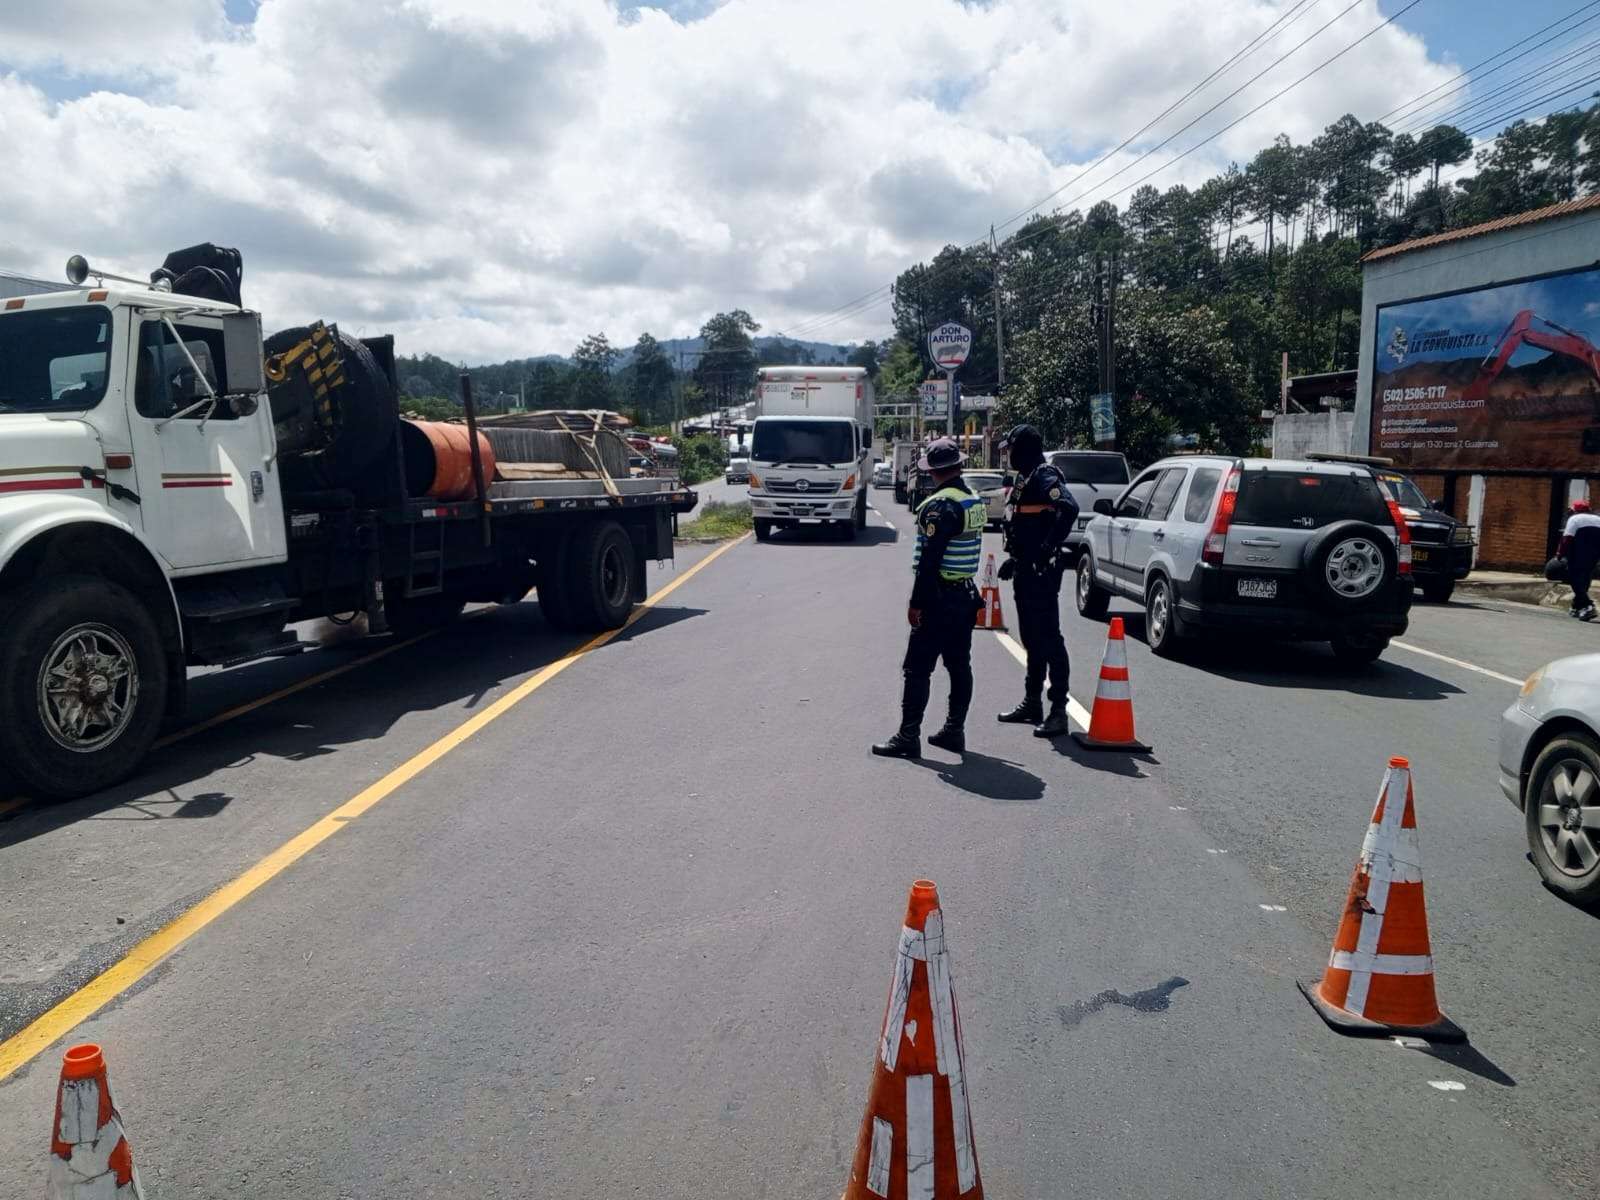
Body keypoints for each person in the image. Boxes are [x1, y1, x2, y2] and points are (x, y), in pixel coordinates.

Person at [872, 438, 986, 759]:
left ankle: (908, 737)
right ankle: (954, 730)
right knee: (959, 665)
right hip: (964, 595)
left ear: (933, 472)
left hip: (939, 599)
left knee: (917, 669)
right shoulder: (971, 500)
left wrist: (916, 603)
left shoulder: (940, 506)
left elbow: (930, 561)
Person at [996, 425, 1080, 737]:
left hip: (1042, 572)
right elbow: (1026, 524)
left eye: (1011, 449)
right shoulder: (1027, 478)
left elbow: (1069, 508)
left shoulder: (1045, 475)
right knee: (1031, 638)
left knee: (1048, 638)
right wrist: (1015, 559)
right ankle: (1032, 702)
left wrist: (1046, 549)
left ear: (1024, 449)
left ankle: (1058, 709)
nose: (1007, 455)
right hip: (1025, 569)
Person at [1557, 498, 1600, 621]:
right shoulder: (1598, 519)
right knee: (1585, 577)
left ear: (1575, 510)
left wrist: (1560, 554)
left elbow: (1567, 539)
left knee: (1573, 577)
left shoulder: (1574, 519)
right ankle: (1576, 607)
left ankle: (1588, 605)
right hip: (1594, 553)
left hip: (1578, 552)